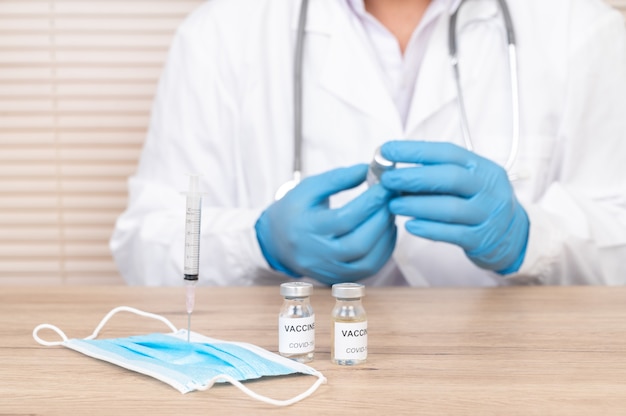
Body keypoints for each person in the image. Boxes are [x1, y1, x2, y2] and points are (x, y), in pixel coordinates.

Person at [110, 0, 626, 287]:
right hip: (295, 381)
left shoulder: (587, 31)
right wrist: (259, 244)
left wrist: (531, 239)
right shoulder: (221, 34)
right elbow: (146, 246)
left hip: (517, 381)